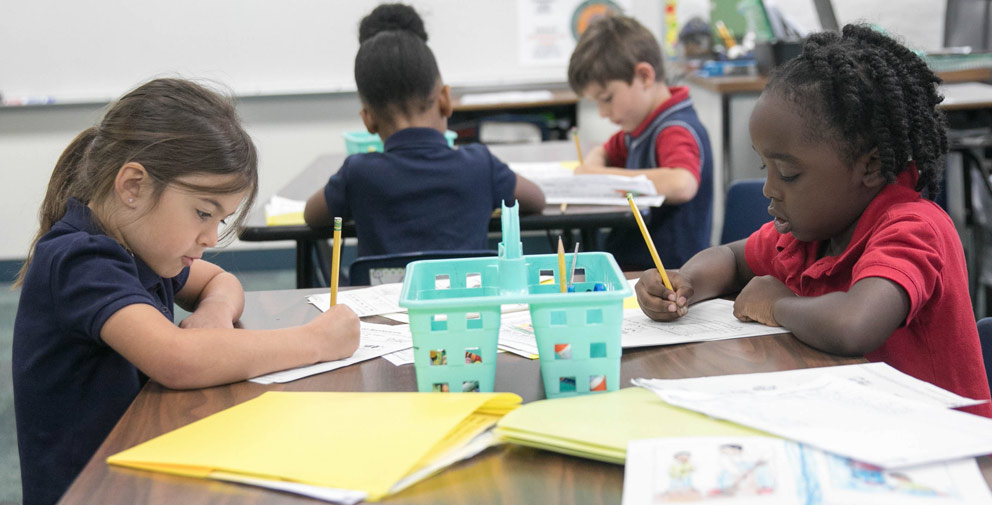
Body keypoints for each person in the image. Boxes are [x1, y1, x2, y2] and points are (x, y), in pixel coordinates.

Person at [12, 78, 361, 505]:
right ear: (133, 185)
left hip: (136, 485)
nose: (211, 238)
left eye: (220, 220)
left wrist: (214, 315)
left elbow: (221, 281)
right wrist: (317, 341)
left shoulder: (139, 245)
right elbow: (176, 360)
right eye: (203, 213)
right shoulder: (81, 260)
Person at [634, 24, 992, 418]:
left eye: (787, 174)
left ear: (870, 165)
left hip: (942, 450)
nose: (769, 188)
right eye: (764, 166)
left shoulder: (913, 228)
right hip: (855, 425)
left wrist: (780, 305)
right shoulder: (814, 231)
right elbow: (732, 260)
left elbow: (855, 324)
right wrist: (683, 284)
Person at [304, 3, 546, 258]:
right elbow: (537, 200)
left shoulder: (358, 173)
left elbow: (311, 215)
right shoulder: (480, 165)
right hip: (467, 297)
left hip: (381, 298)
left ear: (368, 120)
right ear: (445, 100)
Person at [567, 15, 712, 270]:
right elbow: (604, 151)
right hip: (636, 265)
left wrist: (597, 175)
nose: (602, 112)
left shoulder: (674, 129)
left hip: (667, 276)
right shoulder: (641, 125)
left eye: (607, 98)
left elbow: (682, 183)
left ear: (644, 76)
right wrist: (592, 170)